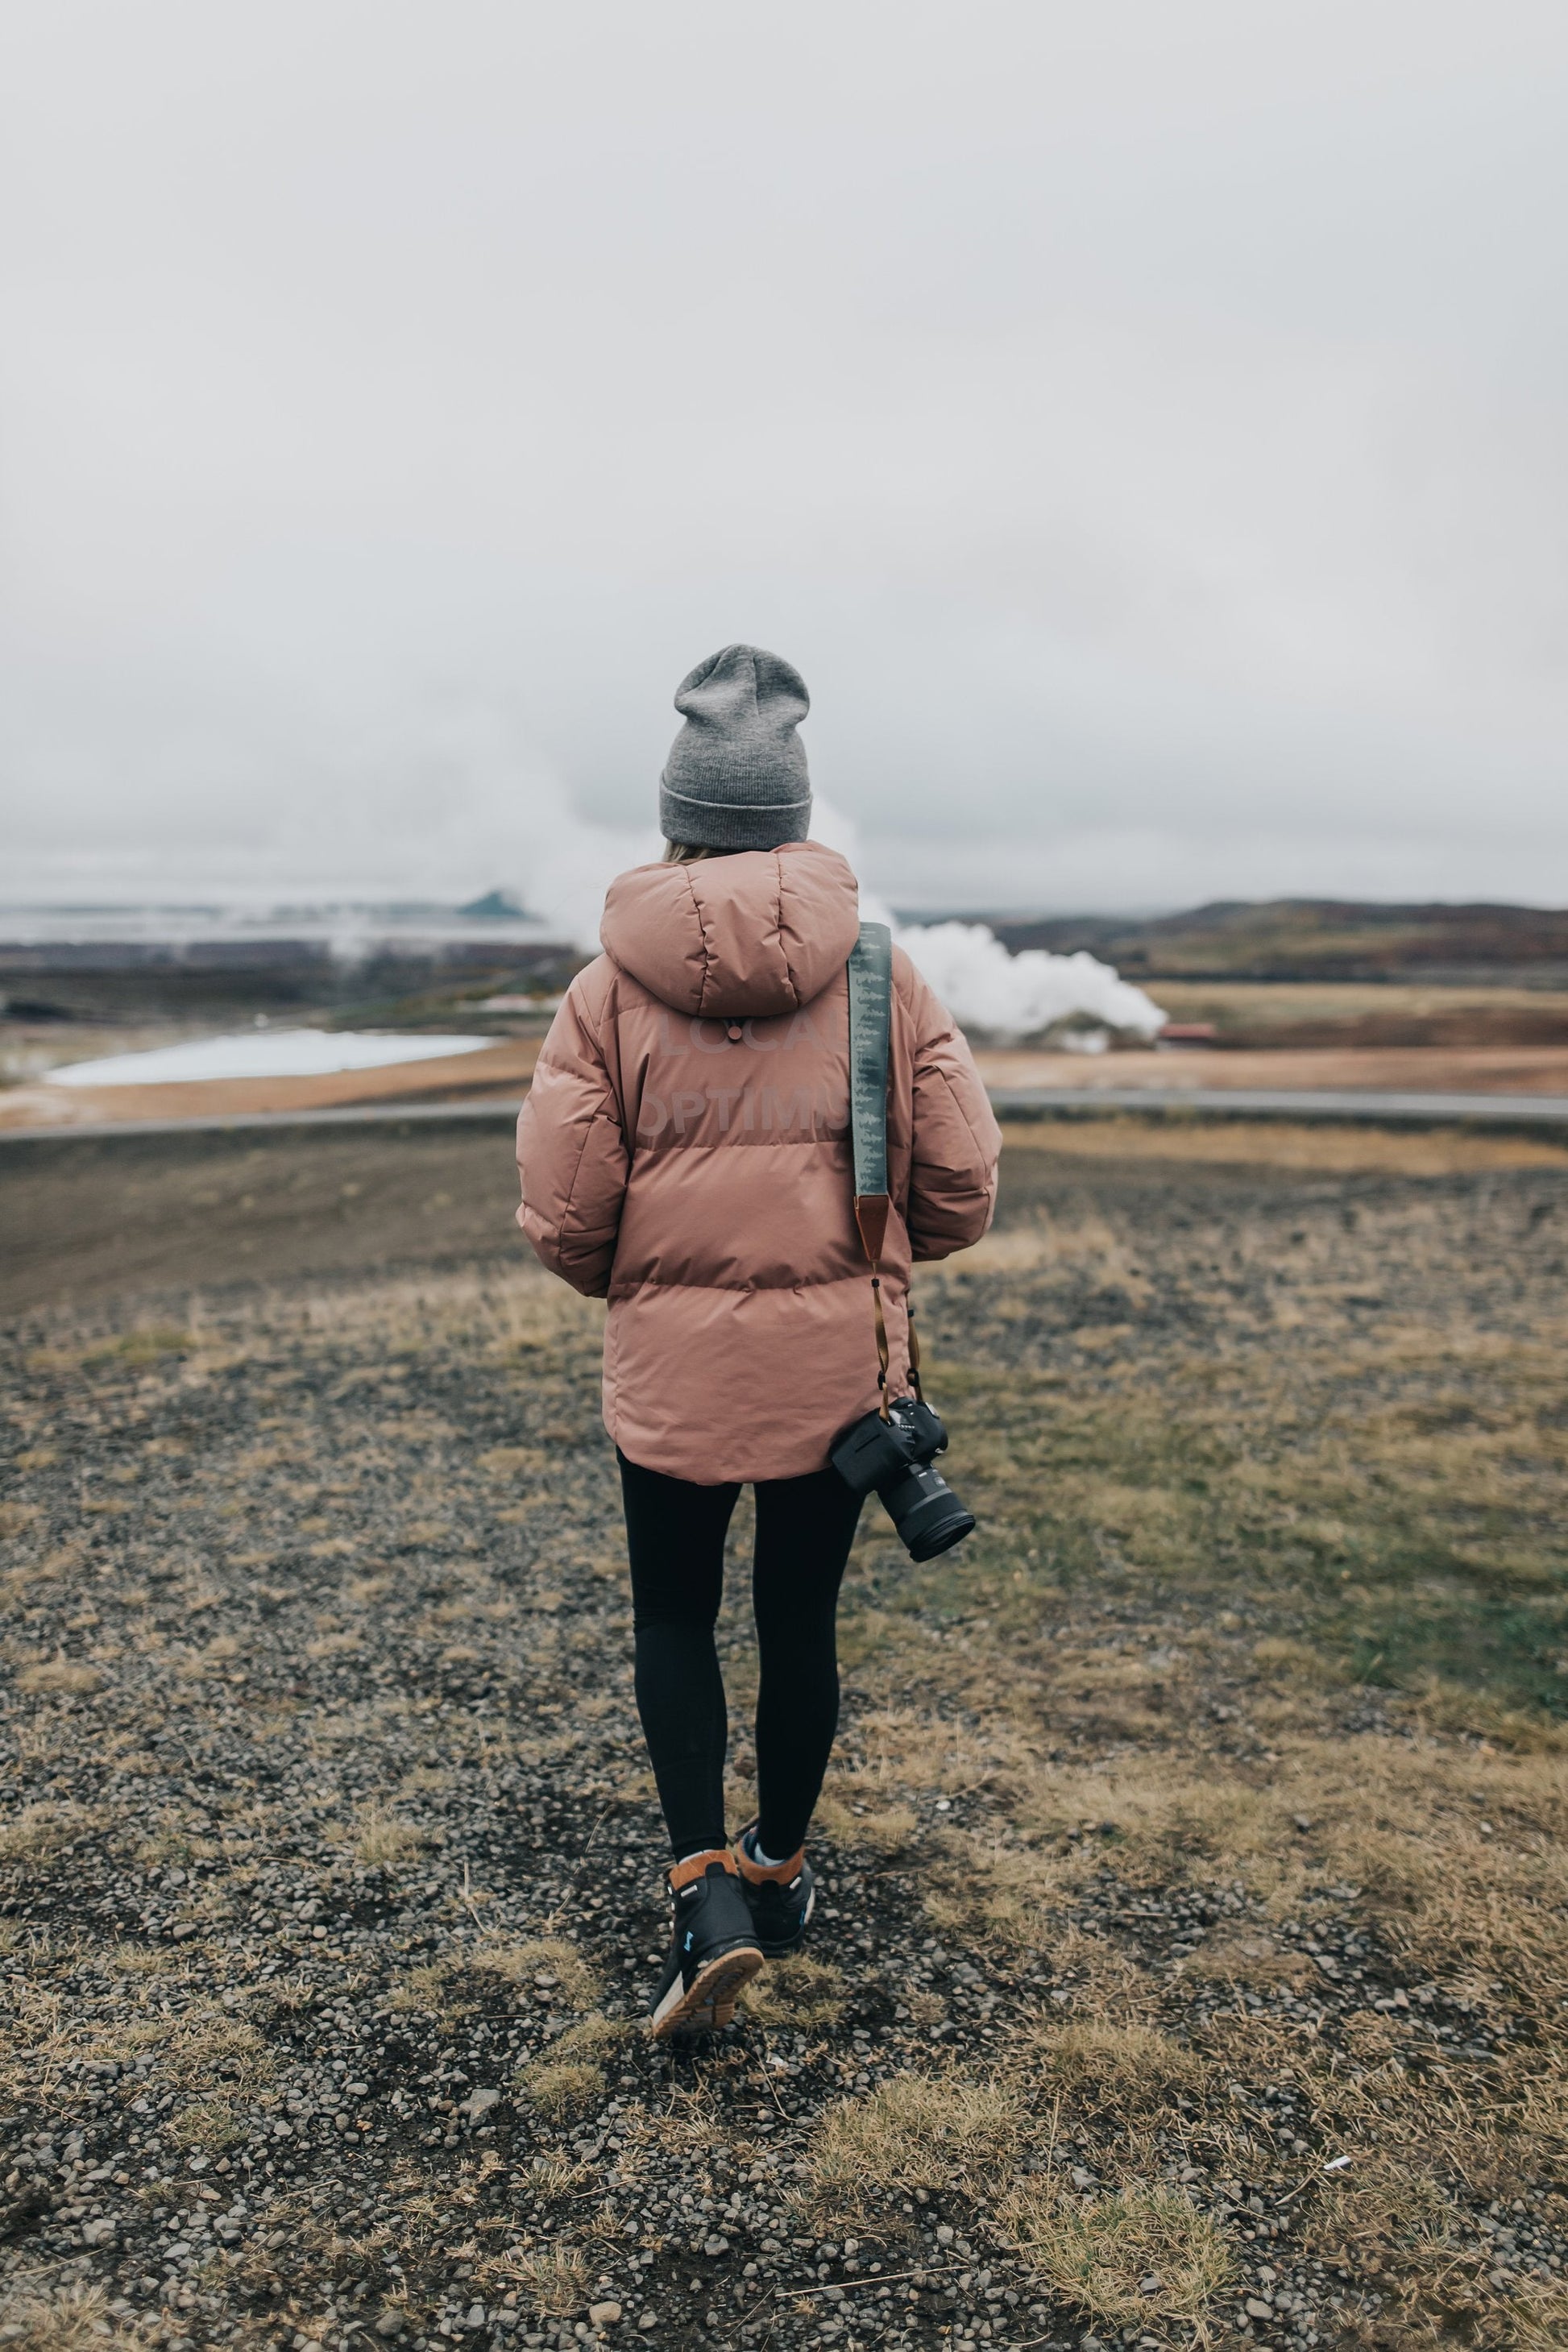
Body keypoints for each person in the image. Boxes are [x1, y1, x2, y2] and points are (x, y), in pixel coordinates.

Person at [516, 644, 1001, 2035]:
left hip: (666, 1373)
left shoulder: (602, 991)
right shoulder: (881, 975)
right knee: (798, 1621)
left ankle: (697, 1896)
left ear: (676, 813)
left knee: (671, 1617)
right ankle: (779, 1871)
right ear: (793, 816)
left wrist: (644, 1283)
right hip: (832, 1384)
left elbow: (565, 1214)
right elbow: (960, 1188)